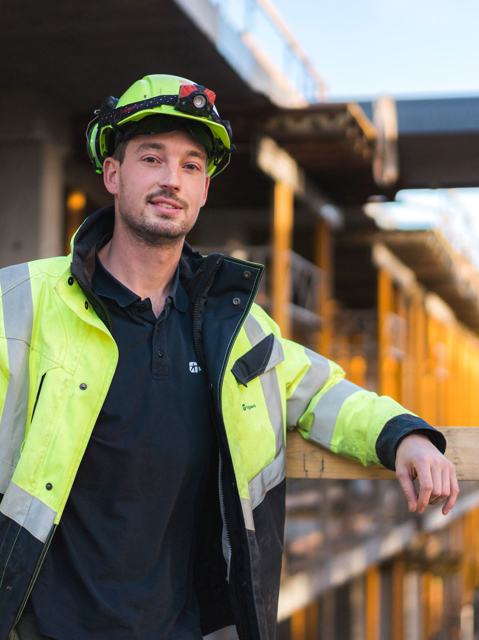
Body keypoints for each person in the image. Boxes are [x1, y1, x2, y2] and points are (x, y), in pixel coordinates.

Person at [1, 75, 458, 640]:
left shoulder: (231, 328)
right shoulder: (22, 302)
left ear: (204, 191)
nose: (172, 180)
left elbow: (320, 391)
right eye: (152, 158)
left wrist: (405, 434)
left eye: (192, 166)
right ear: (113, 175)